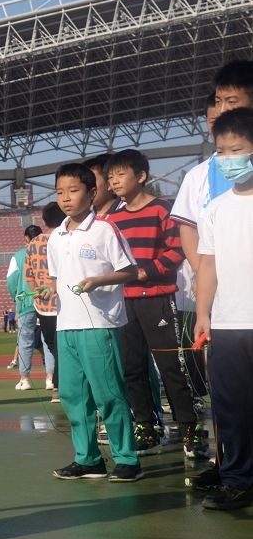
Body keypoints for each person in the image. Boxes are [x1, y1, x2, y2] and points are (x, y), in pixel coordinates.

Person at [44, 163, 141, 482]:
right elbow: (56, 276)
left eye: (73, 191)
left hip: (100, 324)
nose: (66, 198)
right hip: (66, 326)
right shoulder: (56, 236)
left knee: (108, 393)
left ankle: (127, 458)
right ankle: (87, 459)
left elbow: (129, 271)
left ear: (92, 192)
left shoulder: (104, 229)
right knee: (73, 396)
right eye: (60, 192)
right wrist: (49, 286)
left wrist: (99, 280)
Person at [105, 148, 203, 457]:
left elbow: (177, 251)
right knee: (132, 368)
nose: (114, 181)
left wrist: (146, 272)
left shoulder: (163, 209)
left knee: (171, 367)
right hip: (125, 304)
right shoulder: (112, 218)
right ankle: (146, 427)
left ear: (141, 176)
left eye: (120, 174)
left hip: (157, 301)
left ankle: (190, 428)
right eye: (110, 176)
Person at [193, 106, 253, 509]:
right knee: (231, 407)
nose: (229, 159)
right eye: (222, 151)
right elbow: (208, 265)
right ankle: (238, 480)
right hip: (230, 324)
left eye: (238, 150)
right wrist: (203, 313)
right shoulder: (215, 208)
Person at [26, 202, 66, 401]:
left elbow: (28, 275)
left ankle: (59, 385)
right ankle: (60, 385)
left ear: (44, 220)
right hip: (64, 304)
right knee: (64, 348)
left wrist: (36, 294)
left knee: (52, 346)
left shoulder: (33, 243)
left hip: (43, 306)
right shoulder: (66, 239)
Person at [8, 225, 43, 391]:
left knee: (25, 341)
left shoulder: (19, 255)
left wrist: (17, 296)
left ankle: (25, 378)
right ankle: (51, 378)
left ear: (25, 239)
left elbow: (11, 281)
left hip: (26, 302)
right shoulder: (48, 250)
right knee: (48, 341)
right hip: (47, 300)